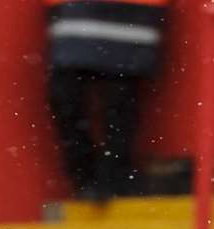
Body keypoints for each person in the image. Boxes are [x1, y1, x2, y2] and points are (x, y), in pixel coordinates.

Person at [43, 0, 168, 202]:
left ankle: (105, 178)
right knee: (72, 96)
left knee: (118, 102)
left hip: (123, 16)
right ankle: (100, 178)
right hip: (96, 16)